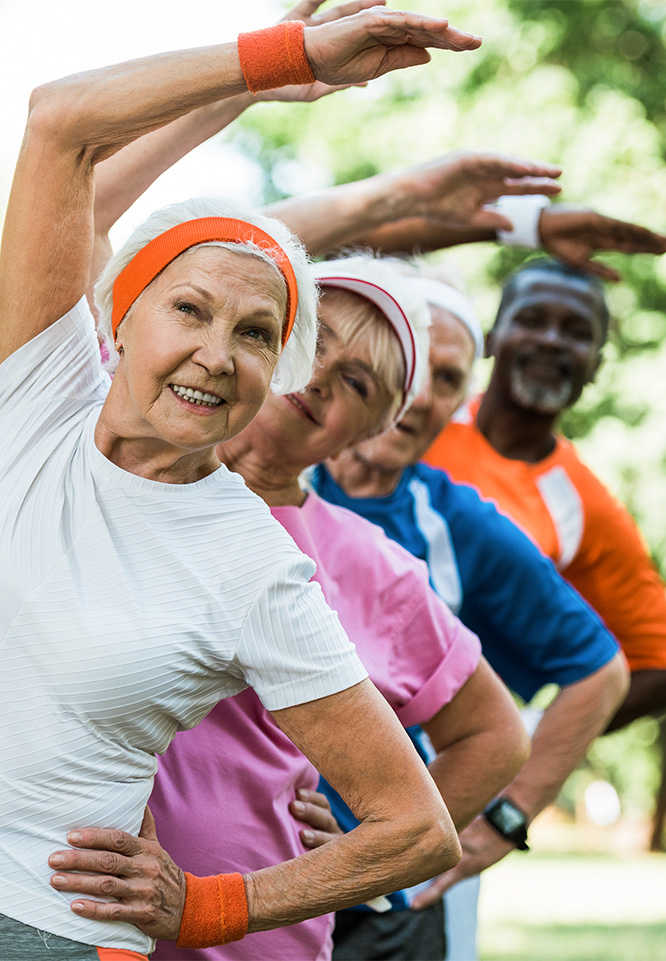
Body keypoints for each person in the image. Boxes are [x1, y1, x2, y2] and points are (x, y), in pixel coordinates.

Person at [0, 10, 483, 958]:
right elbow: (61, 120)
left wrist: (208, 906)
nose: (217, 356)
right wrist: (283, 60)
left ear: (274, 376)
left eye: (257, 334)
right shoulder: (40, 385)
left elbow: (415, 826)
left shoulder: (256, 565)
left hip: (43, 926)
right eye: (190, 309)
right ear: (120, 316)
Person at [47, 254, 530, 961]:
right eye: (316, 341)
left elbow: (497, 734)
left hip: (246, 935)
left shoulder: (372, 567)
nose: (321, 377)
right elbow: (96, 239)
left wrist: (361, 848)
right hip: (65, 897)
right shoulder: (125, 436)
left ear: (372, 430)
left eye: (357, 382)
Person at [308, 264, 628, 960]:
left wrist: (497, 821)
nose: (418, 396)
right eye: (409, 367)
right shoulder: (268, 469)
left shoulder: (457, 521)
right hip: (240, 866)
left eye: (447, 378)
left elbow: (599, 671)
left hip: (380, 900)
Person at [424, 258, 666, 731]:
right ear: (490, 337)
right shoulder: (419, 417)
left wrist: (526, 738)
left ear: (597, 365)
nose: (551, 340)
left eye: (575, 331)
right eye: (531, 320)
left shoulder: (582, 503)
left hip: (426, 751)